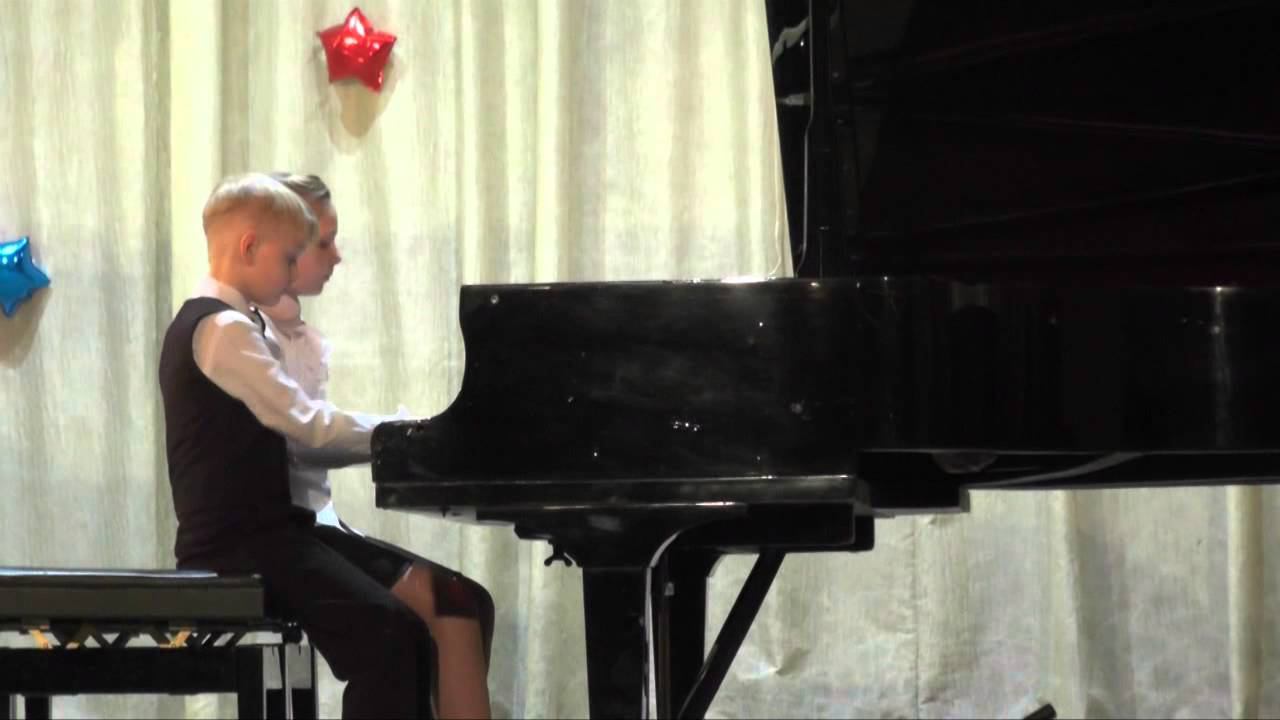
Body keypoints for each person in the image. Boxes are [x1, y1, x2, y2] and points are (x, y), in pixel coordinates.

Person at [159, 172, 429, 719]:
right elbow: (306, 424)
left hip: (266, 534)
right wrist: (404, 433)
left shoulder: (229, 323)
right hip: (238, 544)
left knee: (403, 629)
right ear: (248, 247)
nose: (291, 274)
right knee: (389, 636)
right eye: (287, 258)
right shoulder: (222, 330)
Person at [259, 172, 494, 719]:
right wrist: (402, 432)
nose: (337, 256)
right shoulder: (250, 336)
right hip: (283, 534)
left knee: (468, 604)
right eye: (324, 242)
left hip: (315, 524)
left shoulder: (291, 332)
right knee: (443, 613)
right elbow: (302, 438)